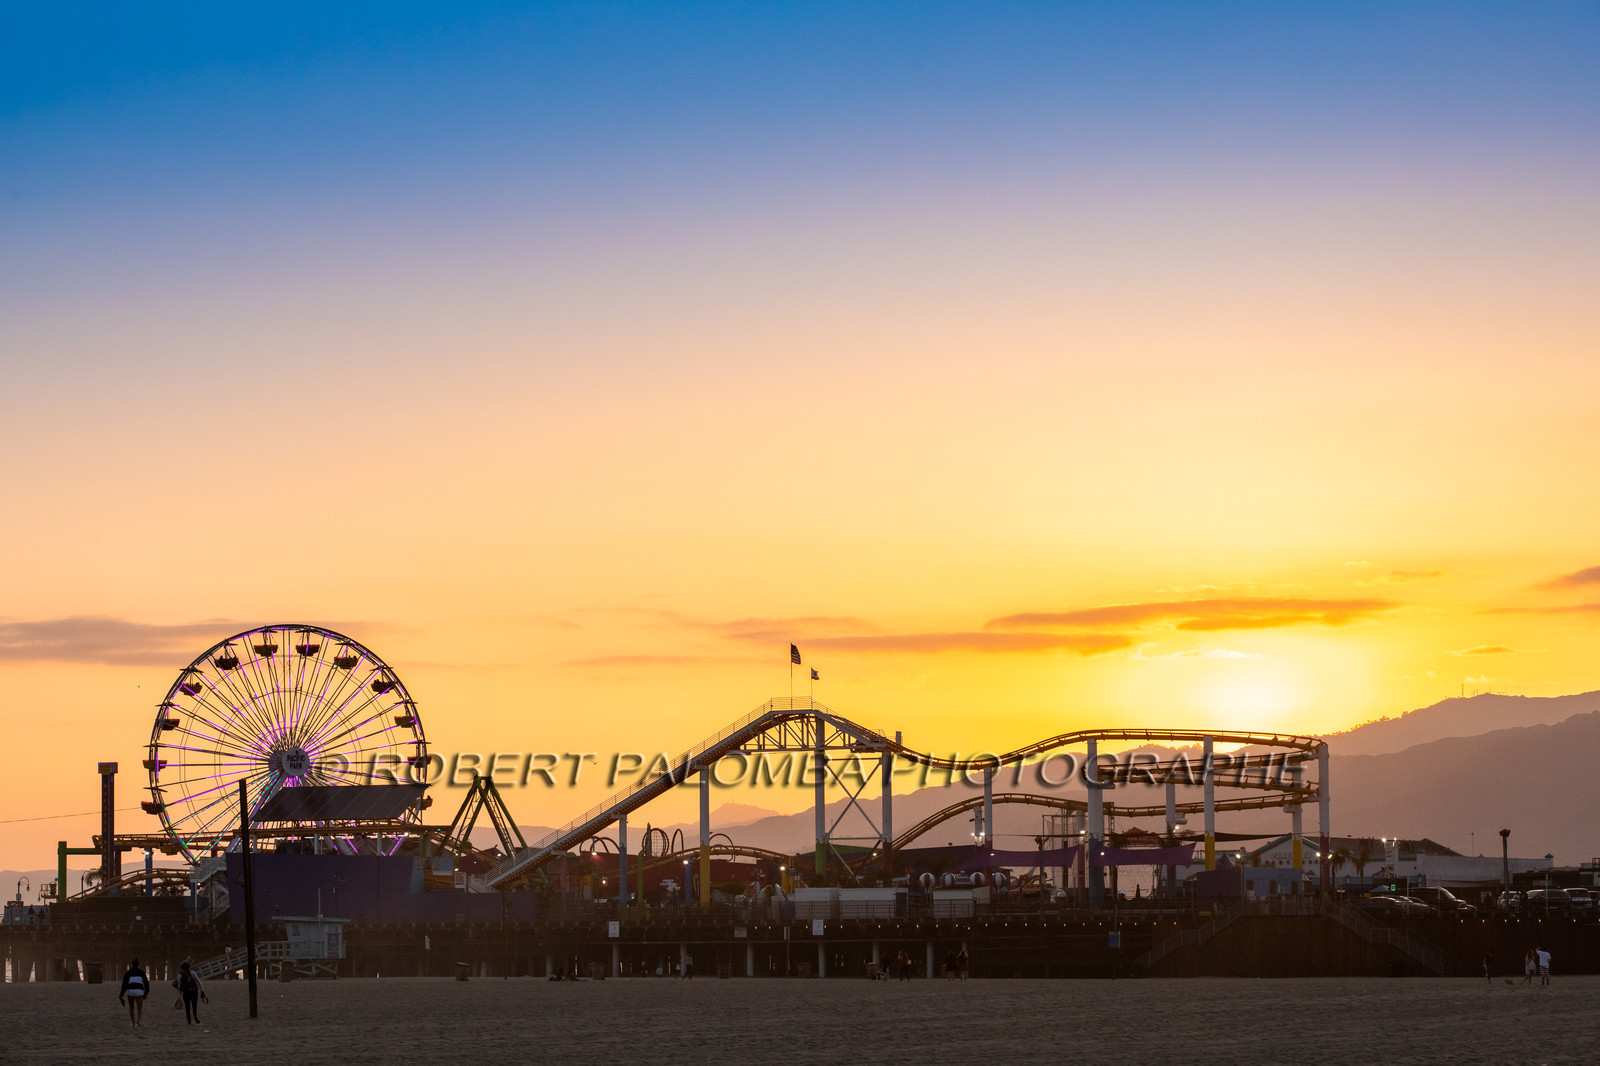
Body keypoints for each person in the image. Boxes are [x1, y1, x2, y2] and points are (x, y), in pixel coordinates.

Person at [118, 958, 149, 1027]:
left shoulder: (128, 973)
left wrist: (121, 995)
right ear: (138, 965)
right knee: (139, 1007)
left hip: (130, 991)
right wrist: (146, 993)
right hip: (139, 991)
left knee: (131, 1008)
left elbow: (124, 985)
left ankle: (133, 1022)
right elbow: (146, 983)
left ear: (132, 965)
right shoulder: (141, 972)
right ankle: (138, 1020)